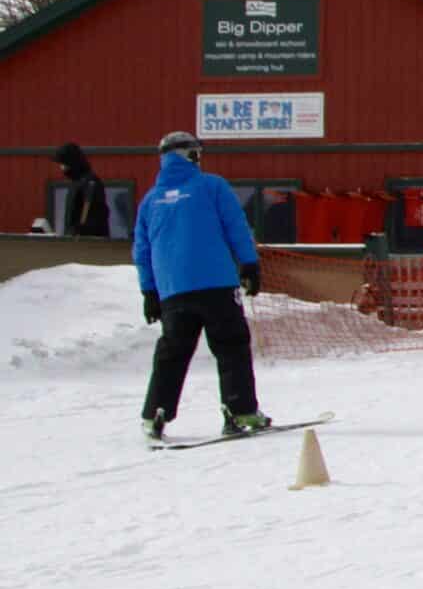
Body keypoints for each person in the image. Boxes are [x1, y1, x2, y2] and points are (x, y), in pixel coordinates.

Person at [132, 130, 268, 440]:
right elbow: (236, 226)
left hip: (172, 290)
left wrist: (149, 291)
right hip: (216, 284)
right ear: (191, 155)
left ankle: (155, 414)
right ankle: (241, 410)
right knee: (231, 346)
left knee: (172, 352)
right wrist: (248, 264)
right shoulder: (211, 186)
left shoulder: (150, 201)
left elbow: (141, 250)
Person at [52, 142, 112, 238]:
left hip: (92, 242)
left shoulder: (91, 183)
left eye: (63, 164)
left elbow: (100, 214)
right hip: (74, 240)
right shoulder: (75, 183)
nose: (61, 168)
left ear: (71, 163)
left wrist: (82, 229)